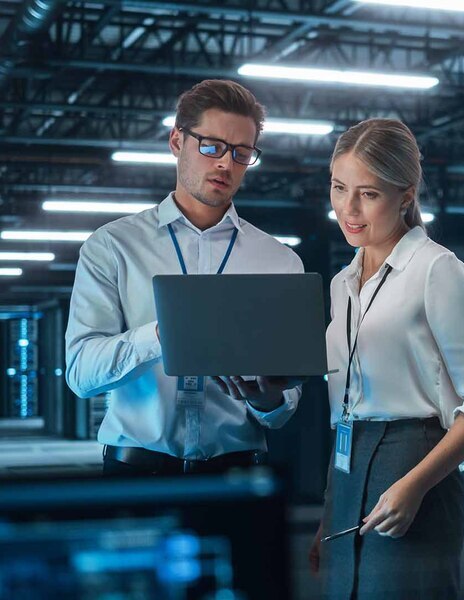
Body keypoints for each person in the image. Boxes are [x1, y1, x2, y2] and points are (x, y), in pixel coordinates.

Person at [309, 118, 464, 599]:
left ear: (406, 195)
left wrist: (414, 485)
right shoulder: (342, 285)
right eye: (339, 188)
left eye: (368, 194)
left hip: (415, 462)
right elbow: (346, 409)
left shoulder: (437, 271)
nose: (348, 209)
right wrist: (327, 515)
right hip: (347, 465)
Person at [65, 80, 304, 476]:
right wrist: (163, 335)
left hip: (237, 476)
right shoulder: (113, 246)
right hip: (136, 475)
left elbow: (281, 413)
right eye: (211, 147)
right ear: (177, 140)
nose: (226, 164)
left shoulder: (279, 261)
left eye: (242, 153)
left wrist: (267, 399)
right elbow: (81, 376)